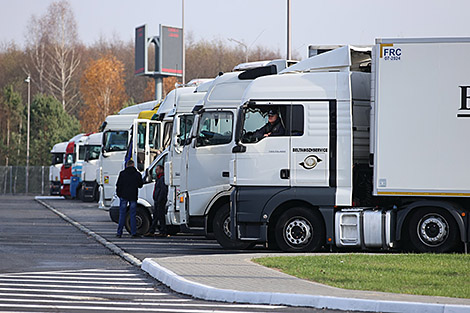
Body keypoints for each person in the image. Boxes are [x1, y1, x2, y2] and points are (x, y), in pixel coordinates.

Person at [116, 159, 143, 238]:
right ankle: (133, 232)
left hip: (123, 196)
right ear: (133, 165)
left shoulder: (122, 174)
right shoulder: (137, 174)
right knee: (133, 215)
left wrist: (119, 194)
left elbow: (118, 185)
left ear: (127, 165)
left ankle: (119, 232)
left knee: (122, 215)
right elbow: (140, 185)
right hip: (133, 196)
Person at [144, 165, 169, 237]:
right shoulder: (159, 178)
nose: (156, 171)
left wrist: (159, 199)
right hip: (158, 199)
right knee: (156, 216)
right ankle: (153, 230)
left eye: (157, 169)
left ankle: (162, 231)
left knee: (159, 216)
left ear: (161, 170)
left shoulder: (162, 178)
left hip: (160, 200)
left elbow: (163, 190)